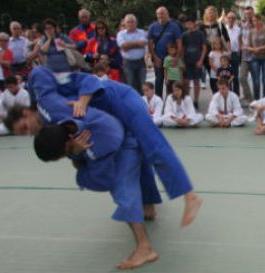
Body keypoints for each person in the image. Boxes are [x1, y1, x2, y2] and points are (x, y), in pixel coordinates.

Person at [18, 67, 202, 225]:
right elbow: (74, 151)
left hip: (119, 99)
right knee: (136, 153)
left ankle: (189, 195)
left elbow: (86, 79)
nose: (28, 132)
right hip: (108, 119)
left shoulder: (47, 98)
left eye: (24, 127)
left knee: (152, 143)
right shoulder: (53, 128)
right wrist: (76, 153)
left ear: (26, 112)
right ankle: (148, 204)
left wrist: (83, 99)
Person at [148, 6, 182, 97]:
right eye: (159, 13)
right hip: (158, 58)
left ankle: (170, 100)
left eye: (162, 13)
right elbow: (150, 44)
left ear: (167, 14)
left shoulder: (174, 26)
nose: (160, 15)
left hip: (171, 58)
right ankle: (159, 100)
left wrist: (177, 58)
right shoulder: (152, 27)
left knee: (171, 80)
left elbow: (179, 43)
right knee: (159, 80)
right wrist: (155, 58)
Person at [117, 14, 147, 93]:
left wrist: (129, 45)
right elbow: (123, 45)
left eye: (132, 22)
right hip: (128, 63)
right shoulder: (121, 34)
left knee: (143, 85)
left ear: (136, 23)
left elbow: (143, 44)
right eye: (128, 22)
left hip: (141, 62)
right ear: (125, 23)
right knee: (131, 85)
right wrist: (137, 44)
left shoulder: (141, 32)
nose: (130, 24)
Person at [181, 15, 207, 109]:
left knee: (197, 82)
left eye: (190, 23)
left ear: (194, 23)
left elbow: (204, 48)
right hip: (187, 62)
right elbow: (182, 49)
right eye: (187, 23)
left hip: (197, 61)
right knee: (186, 82)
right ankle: (187, 100)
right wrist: (182, 61)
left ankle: (196, 101)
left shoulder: (200, 33)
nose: (189, 25)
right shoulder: (184, 35)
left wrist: (201, 60)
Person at [248, 14, 265, 100]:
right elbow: (247, 46)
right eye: (254, 21)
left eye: (257, 20)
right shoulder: (251, 31)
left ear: (261, 20)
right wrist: (254, 49)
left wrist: (261, 48)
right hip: (254, 58)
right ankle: (256, 100)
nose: (256, 22)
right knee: (256, 81)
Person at [239, 6, 255, 102]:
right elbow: (240, 36)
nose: (248, 15)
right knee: (241, 77)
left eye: (250, 13)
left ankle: (256, 98)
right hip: (245, 56)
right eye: (246, 13)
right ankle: (248, 96)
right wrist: (241, 46)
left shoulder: (257, 24)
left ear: (253, 13)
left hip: (255, 56)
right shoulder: (243, 25)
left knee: (256, 80)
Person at [225, 11, 241, 95]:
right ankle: (228, 93)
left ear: (235, 19)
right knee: (226, 75)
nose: (231, 19)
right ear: (226, 19)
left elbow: (240, 42)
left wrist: (239, 53)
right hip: (226, 54)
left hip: (235, 54)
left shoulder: (238, 30)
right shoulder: (223, 29)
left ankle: (236, 94)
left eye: (233, 18)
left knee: (235, 75)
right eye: (229, 17)